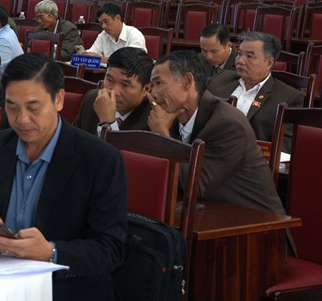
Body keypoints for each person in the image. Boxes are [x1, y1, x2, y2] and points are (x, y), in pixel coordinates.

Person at [0, 53, 128, 301]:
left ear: (59, 100)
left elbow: (110, 249)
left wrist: (51, 252)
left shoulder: (99, 158)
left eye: (33, 108)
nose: (22, 119)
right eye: (12, 107)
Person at [147, 50, 285, 214]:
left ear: (187, 82)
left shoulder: (228, 124)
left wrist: (162, 136)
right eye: (152, 85)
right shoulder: (169, 115)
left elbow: (196, 185)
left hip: (255, 220)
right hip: (205, 211)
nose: (153, 93)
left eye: (159, 83)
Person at [207, 32, 303, 149]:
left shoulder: (288, 97)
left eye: (249, 56)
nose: (240, 61)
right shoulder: (220, 79)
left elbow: (284, 147)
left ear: (269, 62)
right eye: (239, 54)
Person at [74, 46, 153, 136]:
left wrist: (107, 123)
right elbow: (73, 141)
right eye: (110, 80)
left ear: (146, 89)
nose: (114, 92)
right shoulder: (92, 99)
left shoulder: (152, 119)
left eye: (125, 85)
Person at [82, 3, 146, 63]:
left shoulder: (134, 35)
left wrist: (101, 59)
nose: (103, 26)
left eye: (106, 21)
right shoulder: (103, 35)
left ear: (118, 18)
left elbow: (131, 61)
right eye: (101, 23)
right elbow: (91, 53)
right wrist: (86, 55)